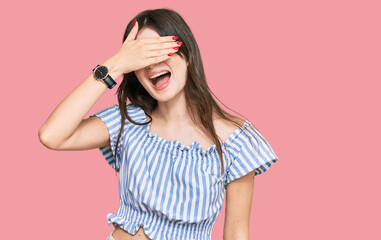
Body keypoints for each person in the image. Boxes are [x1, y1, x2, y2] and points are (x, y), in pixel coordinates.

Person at [38, 8, 279, 240]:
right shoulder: (128, 121)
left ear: (187, 54)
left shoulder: (236, 141)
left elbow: (236, 234)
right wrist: (115, 65)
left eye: (158, 51)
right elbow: (52, 135)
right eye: (141, 57)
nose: (151, 65)